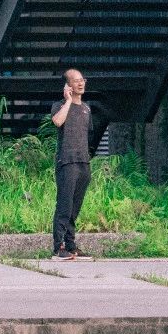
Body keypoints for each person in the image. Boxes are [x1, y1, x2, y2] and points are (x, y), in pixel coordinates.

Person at [49, 68, 100, 261]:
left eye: (82, 80)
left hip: (83, 163)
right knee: (64, 205)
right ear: (68, 86)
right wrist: (69, 101)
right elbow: (57, 122)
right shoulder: (60, 105)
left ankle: (71, 246)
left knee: (75, 207)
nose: (81, 83)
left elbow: (89, 136)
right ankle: (58, 247)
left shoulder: (86, 108)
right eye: (76, 81)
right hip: (67, 162)